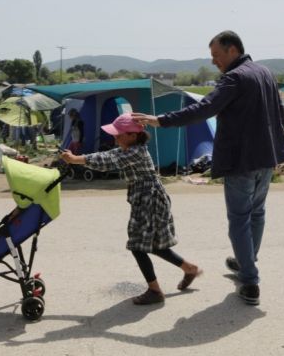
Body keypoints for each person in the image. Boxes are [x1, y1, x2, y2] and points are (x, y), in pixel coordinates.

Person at [132, 31, 284, 306]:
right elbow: (278, 113)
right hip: (266, 158)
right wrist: (279, 150)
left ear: (232, 50)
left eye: (216, 55)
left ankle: (250, 282)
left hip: (241, 160)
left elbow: (204, 108)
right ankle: (245, 264)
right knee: (257, 214)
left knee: (240, 219)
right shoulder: (265, 72)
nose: (214, 61)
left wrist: (160, 120)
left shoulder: (235, 78)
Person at [61, 113, 202, 305]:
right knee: (153, 245)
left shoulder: (134, 153)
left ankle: (154, 291)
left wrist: (76, 159)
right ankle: (189, 268)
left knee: (138, 246)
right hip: (148, 199)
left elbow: (108, 159)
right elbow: (111, 155)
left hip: (149, 201)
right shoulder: (133, 149)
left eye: (119, 135)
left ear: (133, 136)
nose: (115, 138)